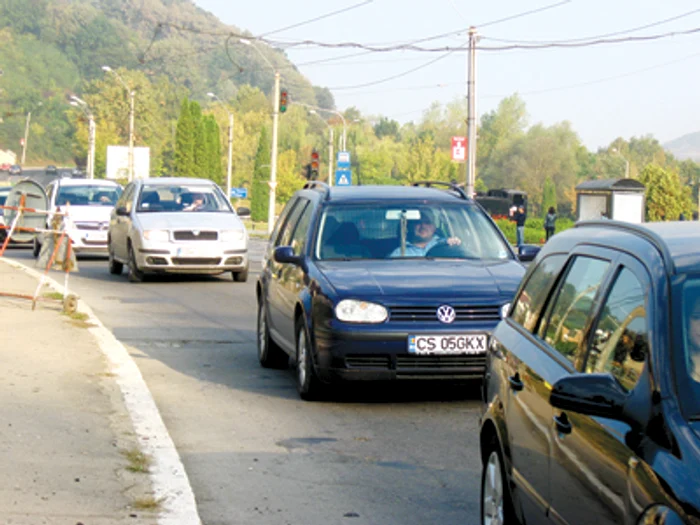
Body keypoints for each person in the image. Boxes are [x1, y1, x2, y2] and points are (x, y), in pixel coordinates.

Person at [389, 209, 460, 257]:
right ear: (410, 226)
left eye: (427, 222)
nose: (423, 226)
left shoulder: (447, 245)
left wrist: (456, 243)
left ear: (434, 227)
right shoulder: (399, 253)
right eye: (418, 223)